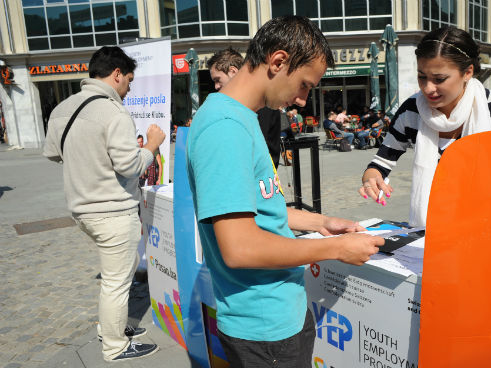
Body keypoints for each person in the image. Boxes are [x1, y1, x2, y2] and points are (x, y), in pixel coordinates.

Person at [186, 16, 384, 367]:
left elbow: (262, 208)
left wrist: (322, 222)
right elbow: (240, 248)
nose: (304, 100)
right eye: (305, 85)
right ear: (278, 62)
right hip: (264, 328)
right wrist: (336, 248)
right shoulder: (225, 127)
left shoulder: (240, 117)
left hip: (275, 316)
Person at [43, 46, 165, 362]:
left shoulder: (62, 108)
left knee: (112, 278)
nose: (128, 88)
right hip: (112, 210)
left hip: (82, 209)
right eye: (128, 81)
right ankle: (114, 346)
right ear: (116, 75)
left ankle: (109, 329)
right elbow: (130, 167)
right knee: (116, 282)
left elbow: (54, 154)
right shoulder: (113, 111)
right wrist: (151, 146)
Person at [359, 26, 491, 226]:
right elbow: (380, 163)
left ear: (467, 72)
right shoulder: (411, 110)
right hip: (433, 227)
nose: (428, 88)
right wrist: (371, 179)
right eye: (422, 76)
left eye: (439, 79)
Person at [208, 47, 283, 168]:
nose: (216, 86)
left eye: (217, 80)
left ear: (233, 71)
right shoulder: (242, 103)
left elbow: (254, 150)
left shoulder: (258, 102)